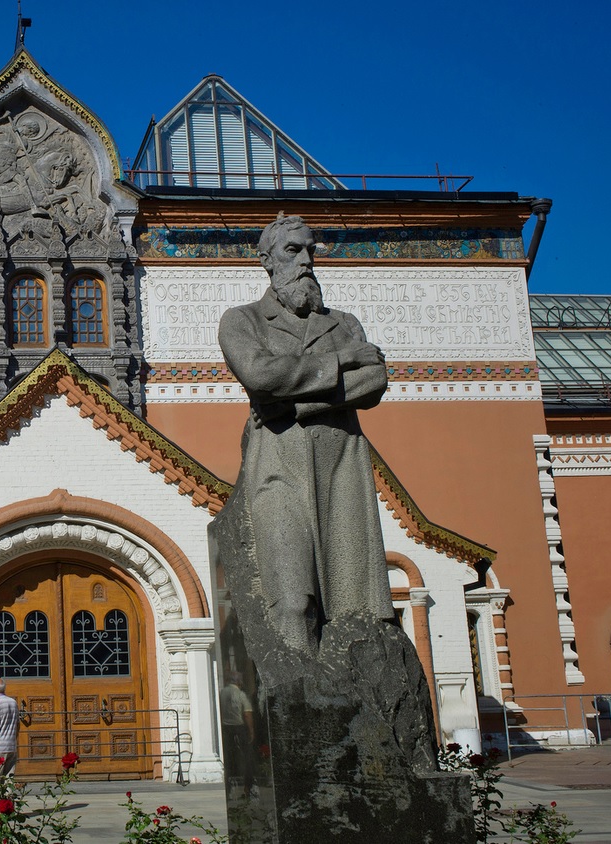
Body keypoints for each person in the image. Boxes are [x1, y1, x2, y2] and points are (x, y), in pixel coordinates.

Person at [218, 213, 395, 654]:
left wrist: (293, 405)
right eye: (293, 250)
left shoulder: (344, 324)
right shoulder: (243, 321)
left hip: (341, 472)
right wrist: (343, 362)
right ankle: (300, 706)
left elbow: (373, 383)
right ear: (266, 259)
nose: (306, 261)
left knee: (357, 607)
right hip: (278, 465)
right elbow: (261, 376)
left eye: (311, 250)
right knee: (292, 599)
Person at [219, 670, 257, 798]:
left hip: (225, 727)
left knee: (228, 758)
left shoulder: (221, 693)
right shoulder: (241, 694)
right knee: (247, 758)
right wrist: (251, 731)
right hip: (239, 728)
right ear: (238, 681)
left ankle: (229, 788)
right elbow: (247, 713)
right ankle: (247, 786)